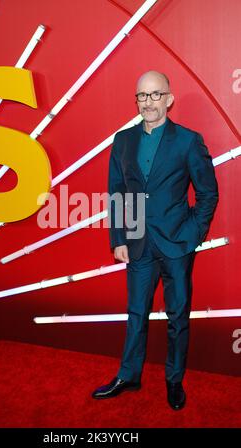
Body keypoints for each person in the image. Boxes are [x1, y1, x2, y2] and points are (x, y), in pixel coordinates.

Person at [92, 70, 219, 410]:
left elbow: (208, 193)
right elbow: (116, 192)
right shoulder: (123, 141)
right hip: (137, 244)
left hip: (177, 244)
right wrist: (119, 238)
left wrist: (192, 234)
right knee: (136, 313)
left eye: (155, 94)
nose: (148, 102)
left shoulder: (188, 141)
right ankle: (128, 375)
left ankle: (174, 380)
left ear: (169, 98)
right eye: (142, 96)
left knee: (178, 316)